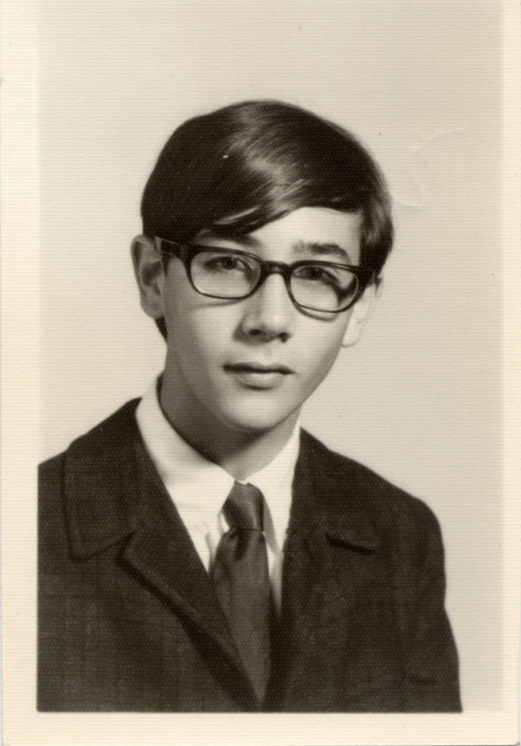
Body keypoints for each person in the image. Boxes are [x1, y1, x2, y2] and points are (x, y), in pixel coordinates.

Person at [38, 100, 461, 712]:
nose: (269, 321)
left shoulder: (401, 535)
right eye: (229, 264)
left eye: (317, 273)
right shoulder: (27, 530)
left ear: (359, 306)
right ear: (153, 277)